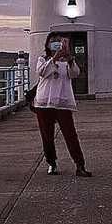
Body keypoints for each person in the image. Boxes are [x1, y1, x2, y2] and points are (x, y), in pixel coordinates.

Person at [33, 32, 92, 177]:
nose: (56, 44)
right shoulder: (43, 59)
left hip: (63, 101)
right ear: (47, 44)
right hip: (44, 102)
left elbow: (75, 73)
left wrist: (70, 60)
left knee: (70, 134)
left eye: (59, 42)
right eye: (53, 42)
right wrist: (55, 58)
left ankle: (80, 164)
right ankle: (51, 163)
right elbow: (42, 72)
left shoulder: (67, 61)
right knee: (47, 135)